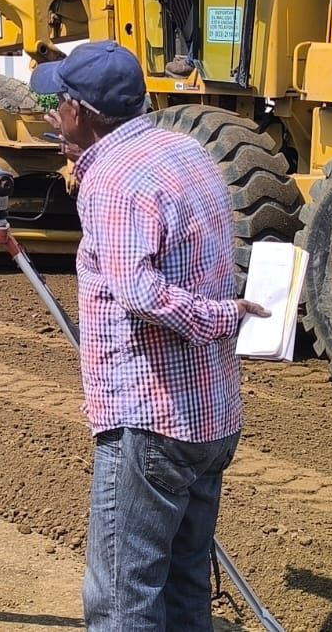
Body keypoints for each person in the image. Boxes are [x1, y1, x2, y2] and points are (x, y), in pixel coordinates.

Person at [32, 41, 269, 632]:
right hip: (213, 415)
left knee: (123, 598)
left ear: (79, 112)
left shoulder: (112, 180)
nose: (53, 117)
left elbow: (139, 295)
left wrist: (224, 316)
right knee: (186, 583)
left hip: (152, 420)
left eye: (58, 105)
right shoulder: (187, 150)